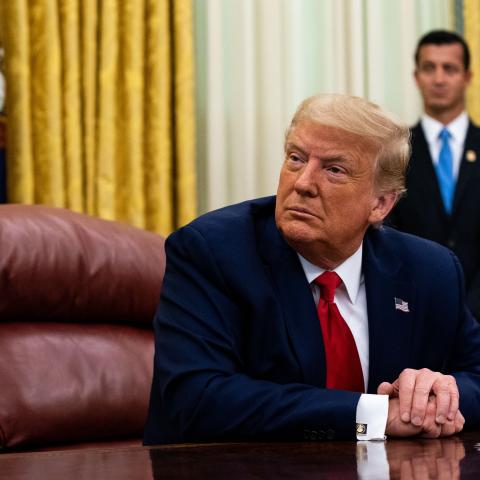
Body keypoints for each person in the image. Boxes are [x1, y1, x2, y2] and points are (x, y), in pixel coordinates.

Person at [144, 94, 480, 445]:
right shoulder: (211, 252)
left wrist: (441, 395)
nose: (302, 182)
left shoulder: (430, 271)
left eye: (334, 169)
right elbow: (198, 399)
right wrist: (374, 415)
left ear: (381, 203)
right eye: (296, 158)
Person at [387, 30, 480, 319]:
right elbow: (387, 235)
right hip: (416, 311)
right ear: (416, 77)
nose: (439, 79)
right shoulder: (395, 152)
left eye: (449, 69)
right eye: (429, 68)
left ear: (467, 77)